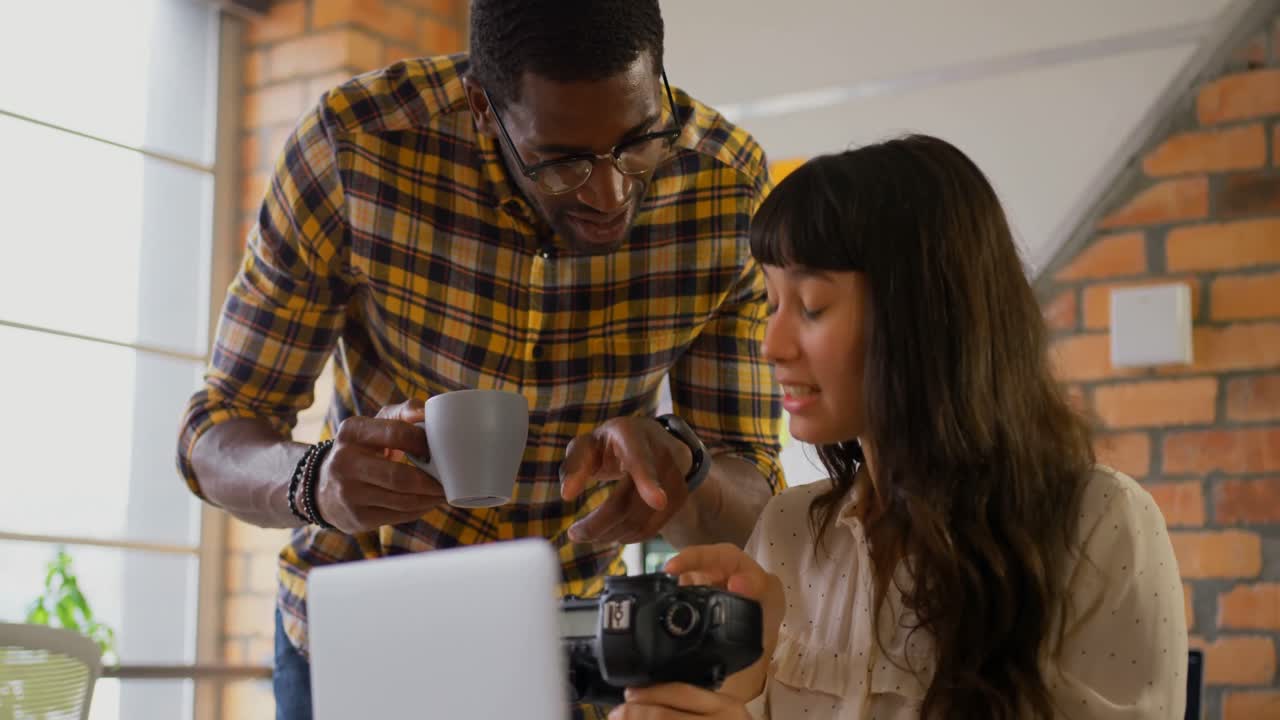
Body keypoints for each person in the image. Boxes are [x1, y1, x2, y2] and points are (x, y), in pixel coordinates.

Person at [175, 1, 784, 717]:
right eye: (562, 162)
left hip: (571, 651)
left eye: (639, 142)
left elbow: (753, 499)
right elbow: (214, 434)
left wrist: (687, 472)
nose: (610, 191)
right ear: (482, 108)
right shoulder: (357, 146)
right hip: (359, 638)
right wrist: (314, 482)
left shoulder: (725, 186)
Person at [610, 135, 1188, 720]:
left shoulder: (1099, 525)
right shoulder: (789, 531)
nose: (771, 345)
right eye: (770, 303)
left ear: (920, 313)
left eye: (810, 305)